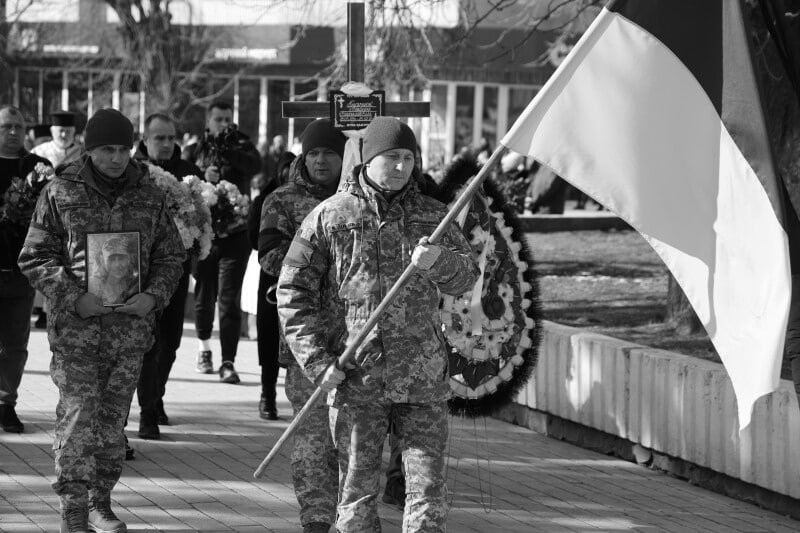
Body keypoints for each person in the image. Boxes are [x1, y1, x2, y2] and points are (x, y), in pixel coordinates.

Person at [277, 117, 479, 532]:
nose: (402, 167)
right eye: (392, 157)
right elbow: (291, 294)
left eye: (409, 158)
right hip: (358, 379)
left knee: (427, 493)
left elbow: (467, 278)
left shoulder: (434, 217)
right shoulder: (330, 216)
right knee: (357, 493)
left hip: (421, 378)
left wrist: (437, 262)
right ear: (368, 159)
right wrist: (317, 362)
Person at [18, 108, 185, 533]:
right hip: (77, 330)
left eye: (123, 149)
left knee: (112, 422)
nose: (116, 158)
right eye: (106, 149)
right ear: (89, 149)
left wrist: (153, 296)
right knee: (77, 416)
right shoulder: (60, 191)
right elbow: (34, 256)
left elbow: (170, 255)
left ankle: (100, 501)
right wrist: (74, 298)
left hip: (128, 332)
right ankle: (73, 507)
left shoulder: (150, 193)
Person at [260, 119, 344, 533]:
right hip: (305, 337)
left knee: (352, 438)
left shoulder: (358, 201)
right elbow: (270, 258)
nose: (321, 160)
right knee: (312, 438)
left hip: (358, 338)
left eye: (330, 152)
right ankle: (315, 519)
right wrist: (326, 268)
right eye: (314, 153)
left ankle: (350, 515)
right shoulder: (282, 201)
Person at [133, 112, 202, 439]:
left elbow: (202, 218)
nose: (165, 143)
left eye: (170, 137)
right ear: (145, 139)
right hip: (138, 271)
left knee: (171, 341)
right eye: (158, 137)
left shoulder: (189, 173)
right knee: (147, 342)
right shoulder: (132, 171)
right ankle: (148, 413)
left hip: (175, 269)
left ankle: (155, 395)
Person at [182, 101, 261, 383]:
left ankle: (228, 362)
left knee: (229, 299)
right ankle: (204, 348)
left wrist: (230, 150)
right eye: (218, 119)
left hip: (236, 234)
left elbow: (256, 164)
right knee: (204, 295)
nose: (223, 123)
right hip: (205, 234)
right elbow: (184, 179)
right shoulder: (196, 148)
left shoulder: (241, 144)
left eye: (228, 119)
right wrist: (204, 173)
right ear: (208, 121)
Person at [0, 105, 52, 434]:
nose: (13, 132)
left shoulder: (38, 168)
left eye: (19, 126)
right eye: (6, 126)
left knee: (15, 343)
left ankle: (7, 403)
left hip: (21, 270)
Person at [249, 150, 296, 421]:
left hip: (305, 281)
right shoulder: (267, 200)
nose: (288, 174)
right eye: (284, 168)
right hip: (272, 278)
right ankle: (268, 393)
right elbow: (254, 240)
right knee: (268, 338)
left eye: (293, 168)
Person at [88, 236, 139, 306]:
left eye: (121, 258)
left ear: (128, 260)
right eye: (111, 259)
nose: (117, 264)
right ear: (102, 261)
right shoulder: (93, 284)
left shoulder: (132, 282)